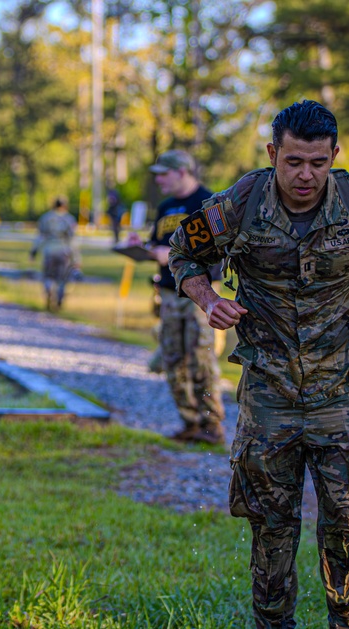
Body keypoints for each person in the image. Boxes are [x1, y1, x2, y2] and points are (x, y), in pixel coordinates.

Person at [168, 100, 349, 629]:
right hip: (269, 392)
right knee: (270, 526)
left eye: (318, 161)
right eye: (293, 162)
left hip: (344, 390)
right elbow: (183, 251)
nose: (306, 174)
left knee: (348, 523)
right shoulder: (241, 202)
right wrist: (208, 299)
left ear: (334, 154)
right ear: (273, 154)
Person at [148, 149, 226, 445]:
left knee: (200, 359)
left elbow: (218, 251)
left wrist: (167, 254)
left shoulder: (208, 202)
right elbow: (156, 243)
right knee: (172, 359)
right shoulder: (166, 207)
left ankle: (212, 424)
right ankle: (190, 421)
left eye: (163, 174)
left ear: (182, 171)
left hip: (198, 295)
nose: (158, 180)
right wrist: (144, 247)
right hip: (168, 294)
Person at [30, 196, 79, 310]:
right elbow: (72, 240)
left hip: (49, 251)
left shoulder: (46, 218)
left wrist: (33, 251)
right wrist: (76, 258)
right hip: (63, 251)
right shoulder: (69, 219)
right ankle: (59, 299)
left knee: (48, 275)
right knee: (62, 278)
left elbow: (40, 237)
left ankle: (48, 291)